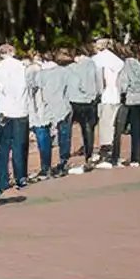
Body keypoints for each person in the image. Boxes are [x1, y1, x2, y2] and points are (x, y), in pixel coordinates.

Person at [0, 44, 31, 195]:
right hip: (20, 110)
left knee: (3, 148)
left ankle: (3, 179)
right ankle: (20, 176)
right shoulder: (21, 67)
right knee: (19, 146)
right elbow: (24, 88)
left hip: (4, 110)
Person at [32, 52, 71, 181]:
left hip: (46, 109)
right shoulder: (64, 72)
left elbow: (36, 91)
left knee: (45, 138)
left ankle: (46, 167)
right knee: (64, 136)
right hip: (62, 107)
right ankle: (63, 163)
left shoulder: (39, 74)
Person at [64, 45, 102, 173]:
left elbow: (73, 84)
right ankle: (89, 154)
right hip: (90, 100)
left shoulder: (72, 67)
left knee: (69, 128)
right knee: (88, 129)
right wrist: (96, 94)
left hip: (75, 101)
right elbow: (99, 82)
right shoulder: (94, 65)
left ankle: (66, 156)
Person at [114, 46, 140, 166]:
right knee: (137, 129)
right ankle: (137, 156)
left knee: (125, 128)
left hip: (130, 99)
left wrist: (123, 92)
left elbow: (123, 83)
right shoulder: (139, 64)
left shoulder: (126, 65)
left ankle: (128, 157)